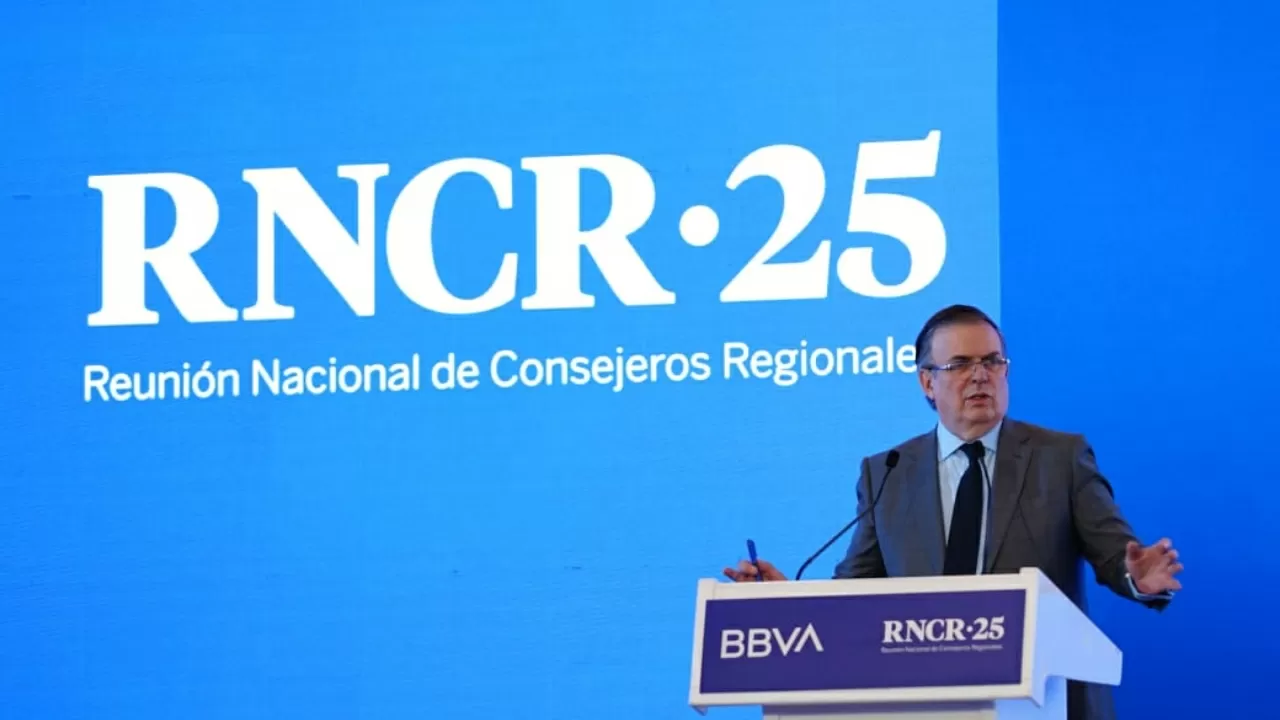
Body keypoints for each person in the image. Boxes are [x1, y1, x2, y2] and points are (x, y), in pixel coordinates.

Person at [722, 304, 1182, 720]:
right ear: (927, 382)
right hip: (926, 703)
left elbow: (1114, 553)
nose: (980, 376)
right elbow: (855, 594)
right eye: (960, 364)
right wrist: (789, 605)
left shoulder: (1060, 458)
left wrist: (1137, 576)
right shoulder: (887, 473)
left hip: (1045, 702)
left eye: (993, 361)